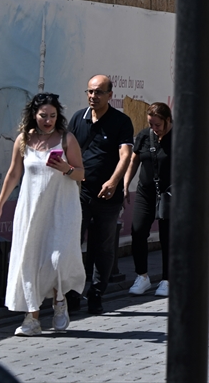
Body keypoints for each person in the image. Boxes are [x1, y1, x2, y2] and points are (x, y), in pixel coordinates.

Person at [0, 93, 85, 336]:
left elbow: (81, 174)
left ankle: (59, 301)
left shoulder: (66, 139)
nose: (48, 120)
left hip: (62, 209)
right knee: (29, 259)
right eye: (44, 115)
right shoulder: (23, 140)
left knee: (58, 259)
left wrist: (67, 168)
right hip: (31, 209)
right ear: (34, 115)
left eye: (53, 116)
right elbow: (13, 174)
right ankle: (31, 318)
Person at [69, 74, 134, 315]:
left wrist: (114, 181)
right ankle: (72, 293)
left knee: (103, 247)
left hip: (108, 197)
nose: (93, 96)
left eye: (98, 92)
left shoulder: (121, 121)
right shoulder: (78, 118)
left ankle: (96, 293)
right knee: (73, 244)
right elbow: (65, 151)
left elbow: (125, 156)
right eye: (90, 92)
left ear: (110, 95)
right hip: (79, 194)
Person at [124, 102, 172, 297]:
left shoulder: (180, 136)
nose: (154, 128)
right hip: (146, 191)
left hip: (169, 193)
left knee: (167, 237)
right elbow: (134, 160)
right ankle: (142, 276)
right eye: (151, 124)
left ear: (168, 121)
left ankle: (167, 279)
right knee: (138, 231)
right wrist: (126, 184)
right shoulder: (145, 135)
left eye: (158, 125)